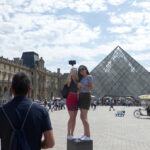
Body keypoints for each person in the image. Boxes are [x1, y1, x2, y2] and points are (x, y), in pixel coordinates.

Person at [0, 72, 55, 150]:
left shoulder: (2, 111)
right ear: (29, 90)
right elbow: (50, 143)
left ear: (11, 90)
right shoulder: (41, 111)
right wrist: (38, 144)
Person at [77, 65, 93, 141]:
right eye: (80, 70)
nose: (82, 71)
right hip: (81, 96)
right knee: (81, 116)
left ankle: (88, 135)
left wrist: (82, 86)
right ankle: (85, 134)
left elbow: (90, 88)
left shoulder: (89, 77)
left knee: (84, 117)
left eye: (83, 69)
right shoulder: (81, 78)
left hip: (86, 96)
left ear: (86, 69)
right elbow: (79, 90)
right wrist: (79, 88)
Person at [66, 68, 78, 140]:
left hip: (76, 98)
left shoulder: (77, 80)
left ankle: (72, 133)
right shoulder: (69, 79)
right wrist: (70, 74)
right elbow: (68, 83)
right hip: (70, 98)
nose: (74, 71)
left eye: (75, 71)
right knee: (71, 117)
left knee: (74, 118)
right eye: (73, 70)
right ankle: (68, 133)